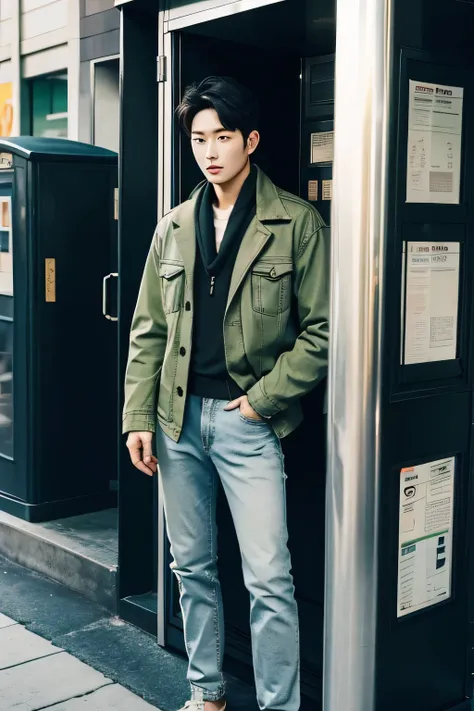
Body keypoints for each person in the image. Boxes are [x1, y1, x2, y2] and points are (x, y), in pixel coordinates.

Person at [123, 76, 329, 711]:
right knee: (192, 569)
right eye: (199, 139)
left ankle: (279, 704)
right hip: (175, 421)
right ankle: (206, 694)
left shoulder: (295, 222)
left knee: (269, 578)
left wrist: (264, 400)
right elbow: (149, 329)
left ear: (251, 141)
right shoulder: (174, 228)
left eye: (223, 137)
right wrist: (137, 417)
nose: (210, 151)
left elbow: (323, 331)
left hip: (250, 422)